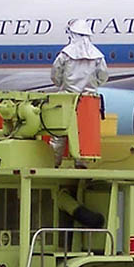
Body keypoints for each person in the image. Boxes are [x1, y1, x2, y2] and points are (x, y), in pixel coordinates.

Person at [50, 18, 108, 165]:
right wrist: (93, 86)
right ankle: (81, 164)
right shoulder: (97, 56)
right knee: (84, 133)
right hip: (88, 101)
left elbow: (55, 74)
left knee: (58, 132)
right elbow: (103, 76)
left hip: (66, 99)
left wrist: (61, 85)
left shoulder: (65, 54)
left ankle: (53, 163)